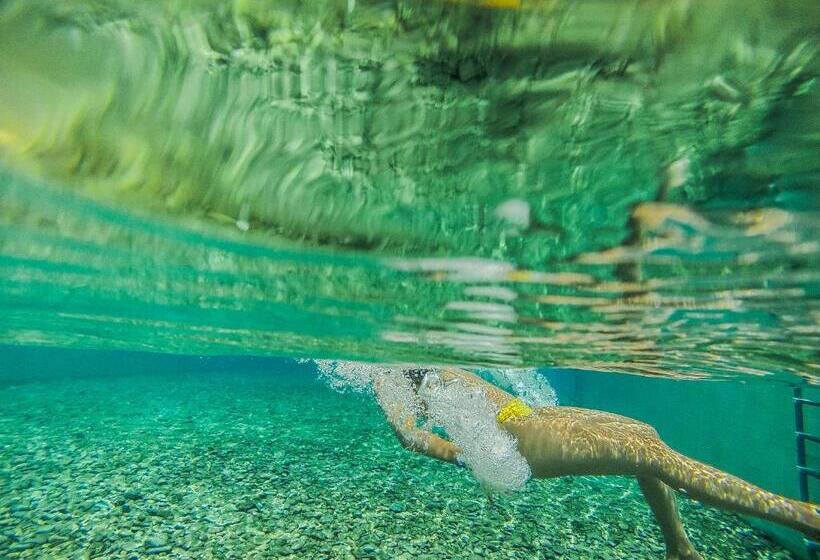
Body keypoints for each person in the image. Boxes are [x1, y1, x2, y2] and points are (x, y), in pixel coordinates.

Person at [373, 366, 820, 560]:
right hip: (525, 441)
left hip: (533, 419)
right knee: (656, 457)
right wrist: (468, 455)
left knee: (645, 435)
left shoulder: (420, 342)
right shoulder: (384, 370)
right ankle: (800, 516)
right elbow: (409, 436)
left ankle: (679, 547)